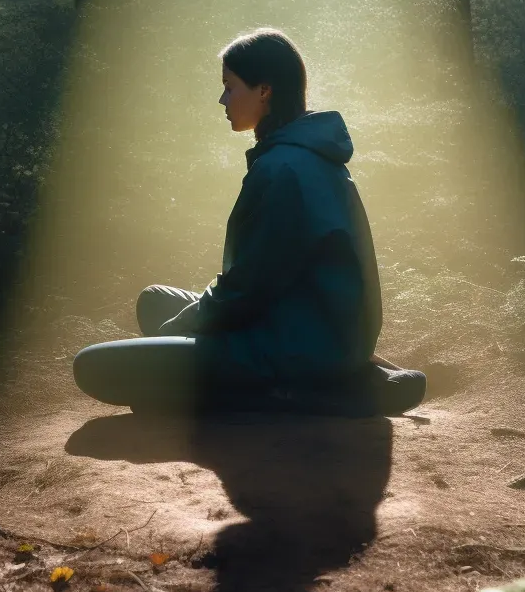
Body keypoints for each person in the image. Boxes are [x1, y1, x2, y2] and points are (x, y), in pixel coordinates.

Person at [73, 28, 426, 417]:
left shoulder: (284, 169)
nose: (222, 99)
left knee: (92, 366)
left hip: (297, 350)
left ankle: (313, 392)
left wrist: (180, 329)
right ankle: (357, 373)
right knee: (154, 300)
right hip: (309, 325)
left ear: (264, 90)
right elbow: (258, 282)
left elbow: (246, 290)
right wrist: (184, 324)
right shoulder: (299, 154)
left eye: (229, 86)